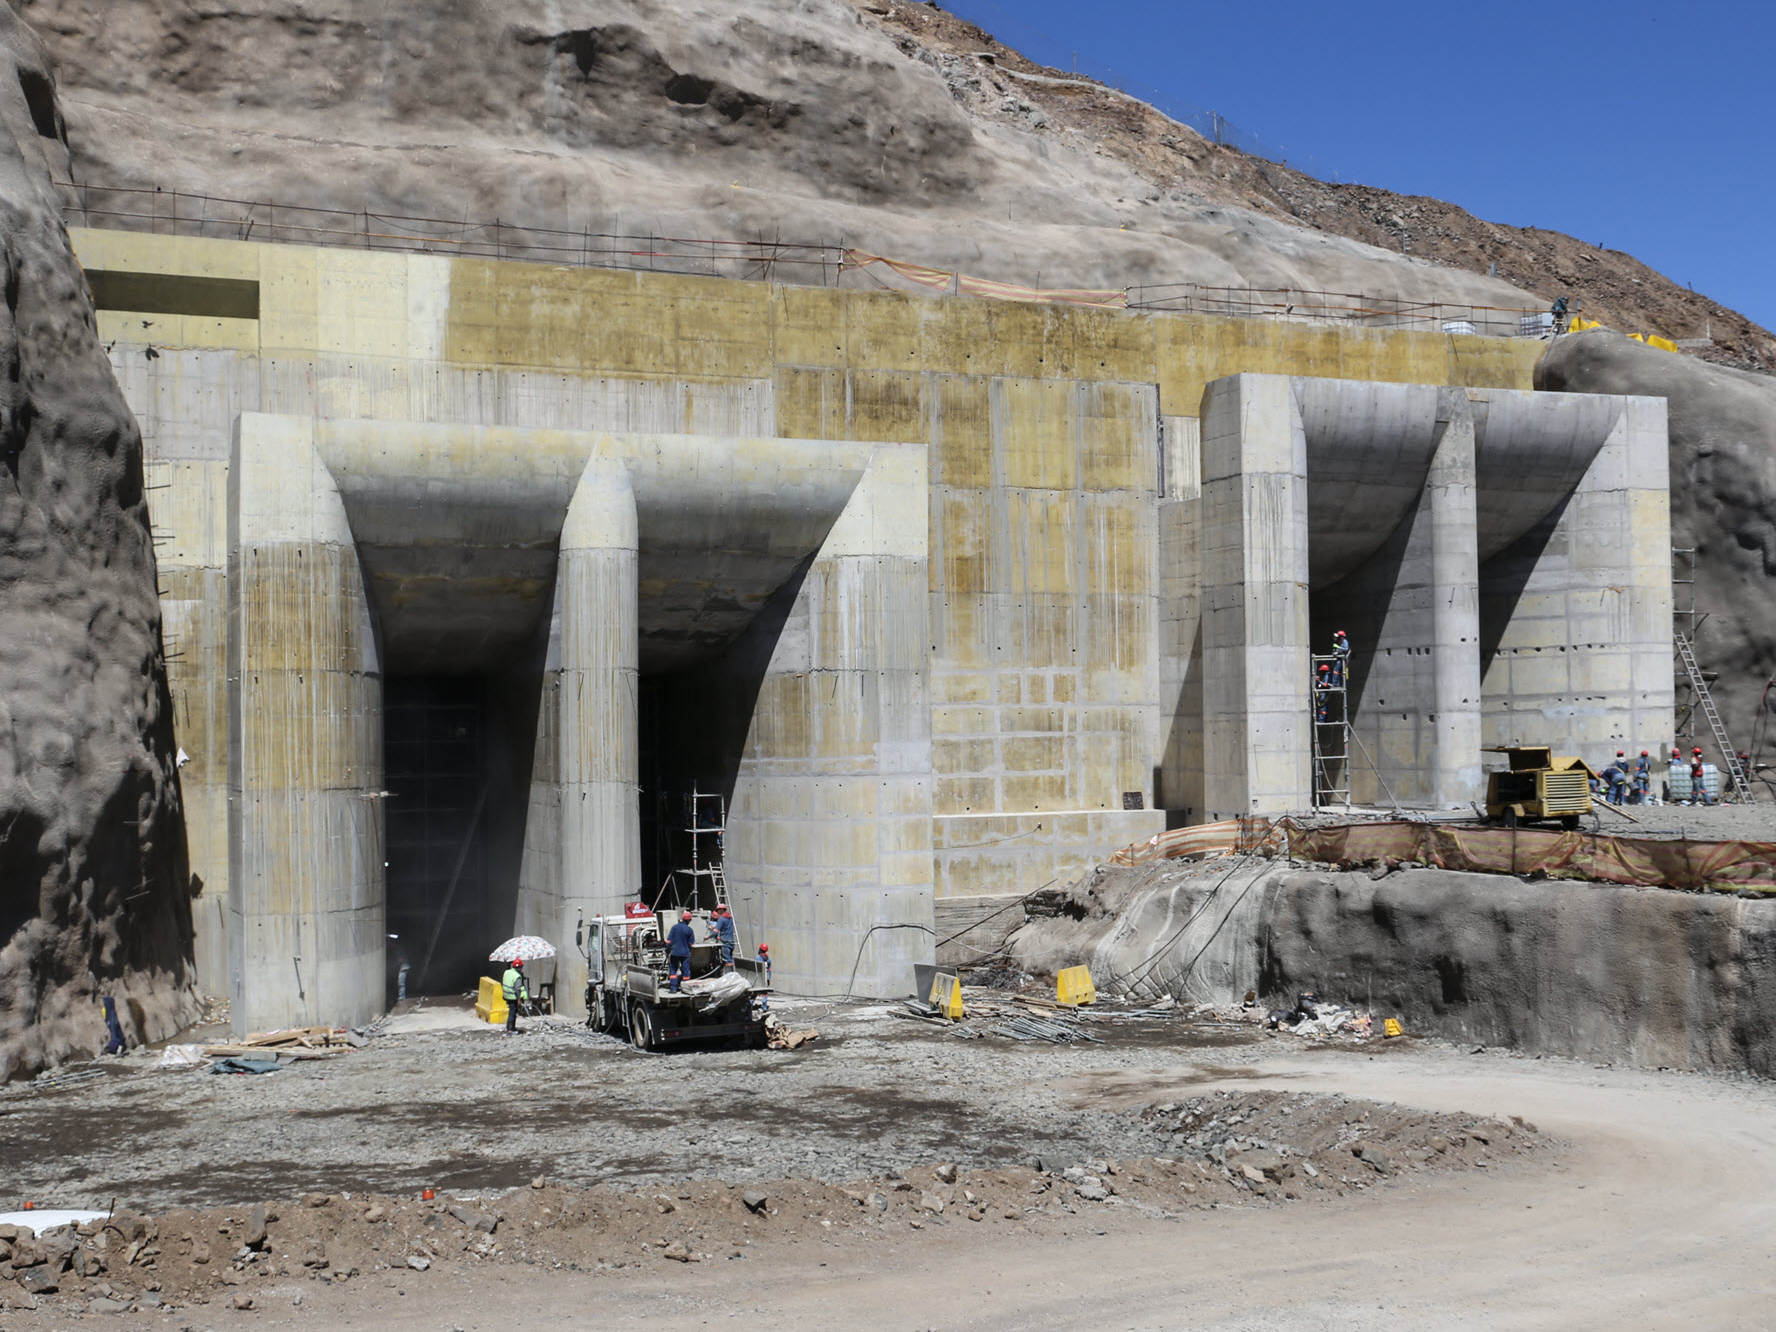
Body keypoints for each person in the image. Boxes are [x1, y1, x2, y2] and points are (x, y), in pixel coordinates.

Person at [666, 909, 696, 993]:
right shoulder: (689, 930)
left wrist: (666, 950)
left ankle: (673, 988)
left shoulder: (674, 927)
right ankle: (685, 989)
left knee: (673, 970)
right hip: (685, 953)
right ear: (689, 920)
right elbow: (691, 943)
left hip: (674, 952)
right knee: (686, 970)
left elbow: (668, 941)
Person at [501, 957, 529, 1033]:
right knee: (512, 1013)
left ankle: (510, 1027)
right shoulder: (517, 976)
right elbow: (518, 989)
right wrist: (519, 1000)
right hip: (513, 997)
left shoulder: (507, 972)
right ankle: (510, 1029)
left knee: (511, 1012)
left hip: (507, 996)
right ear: (520, 967)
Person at [710, 904, 737, 970]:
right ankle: (731, 975)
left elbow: (716, 931)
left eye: (718, 910)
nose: (718, 912)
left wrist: (708, 937)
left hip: (725, 942)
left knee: (726, 959)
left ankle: (728, 976)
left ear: (721, 910)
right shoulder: (730, 918)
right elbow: (724, 927)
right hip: (731, 941)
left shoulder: (721, 919)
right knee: (730, 959)